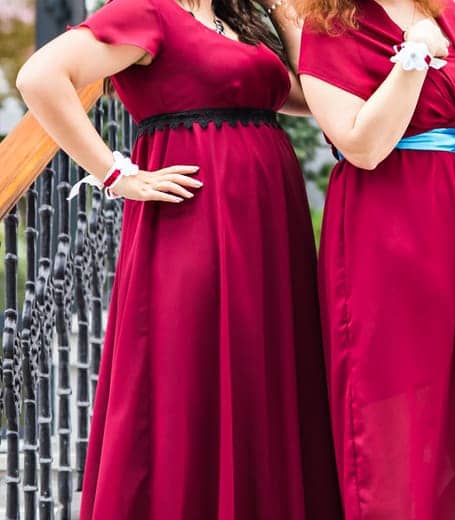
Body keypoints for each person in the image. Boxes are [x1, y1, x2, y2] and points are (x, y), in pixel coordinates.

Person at [16, 0, 342, 517]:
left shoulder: (237, 20)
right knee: (194, 375)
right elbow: (40, 76)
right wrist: (115, 172)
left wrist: (285, 16)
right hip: (198, 223)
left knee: (263, 379)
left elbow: (309, 97)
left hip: (270, 228)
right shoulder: (147, 11)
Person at [295, 0, 455, 516]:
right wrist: (411, 60)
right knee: (391, 405)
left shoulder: (447, 13)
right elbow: (362, 146)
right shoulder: (328, 29)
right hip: (385, 239)